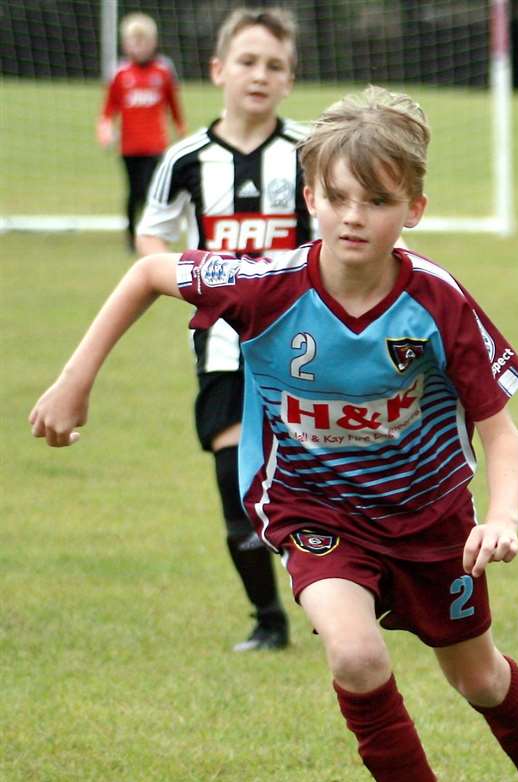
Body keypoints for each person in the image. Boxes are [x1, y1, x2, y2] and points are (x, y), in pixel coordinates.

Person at [30, 86, 518, 782]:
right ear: (310, 197)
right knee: (355, 657)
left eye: (375, 200)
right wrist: (76, 380)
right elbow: (153, 271)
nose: (353, 216)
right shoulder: (264, 284)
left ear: (412, 207)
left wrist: (503, 517)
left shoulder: (437, 300)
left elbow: (502, 433)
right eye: (336, 197)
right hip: (315, 511)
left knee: (480, 678)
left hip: (430, 520)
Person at [136, 7, 313, 653]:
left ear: (289, 79)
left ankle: (334, 593)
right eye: (247, 61)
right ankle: (268, 619)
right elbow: (152, 230)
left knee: (315, 479)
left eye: (274, 65)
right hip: (222, 345)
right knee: (235, 484)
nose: (258, 75)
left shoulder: (310, 153)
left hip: (305, 345)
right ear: (218, 70)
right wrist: (180, 273)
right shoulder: (185, 158)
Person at [98, 12, 185, 251]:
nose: (138, 46)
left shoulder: (163, 71)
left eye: (143, 41)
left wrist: (181, 129)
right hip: (129, 145)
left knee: (150, 190)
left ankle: (148, 236)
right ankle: (130, 237)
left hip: (156, 144)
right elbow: (108, 110)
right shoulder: (121, 74)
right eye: (133, 41)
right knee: (133, 192)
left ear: (153, 42)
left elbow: (173, 106)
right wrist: (105, 130)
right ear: (125, 44)